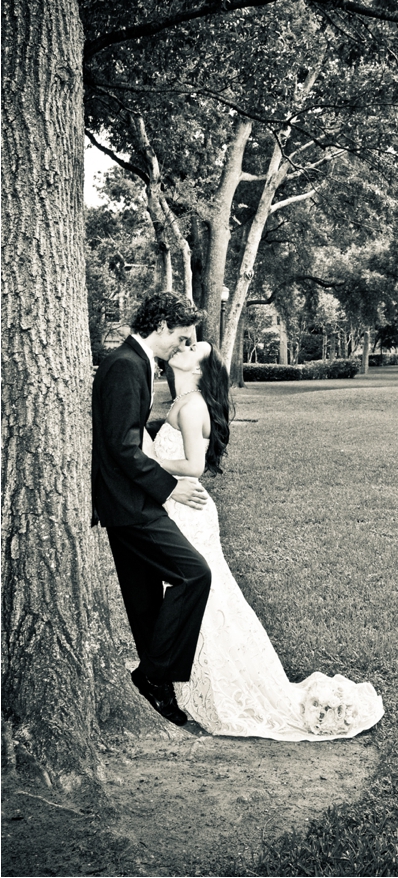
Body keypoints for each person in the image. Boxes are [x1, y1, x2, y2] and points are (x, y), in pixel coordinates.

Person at [144, 338, 384, 740]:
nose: (183, 348)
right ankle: (181, 677)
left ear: (199, 371)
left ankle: (193, 681)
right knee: (203, 596)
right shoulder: (180, 401)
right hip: (179, 508)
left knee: (204, 597)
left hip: (187, 510)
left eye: (192, 351)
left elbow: (193, 466)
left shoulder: (192, 405)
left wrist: (145, 463)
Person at [92, 292, 211, 726]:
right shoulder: (126, 365)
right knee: (194, 574)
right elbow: (122, 445)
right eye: (180, 338)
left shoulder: (135, 361)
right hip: (132, 504)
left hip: (125, 500)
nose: (182, 347)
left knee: (144, 601)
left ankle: (156, 688)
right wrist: (170, 488)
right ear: (160, 325)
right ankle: (154, 674)